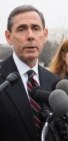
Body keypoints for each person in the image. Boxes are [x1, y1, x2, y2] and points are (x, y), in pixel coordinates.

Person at [0, 5, 60, 141]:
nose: (30, 36)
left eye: (35, 28)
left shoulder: (55, 82)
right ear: (8, 37)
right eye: (21, 29)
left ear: (44, 35)